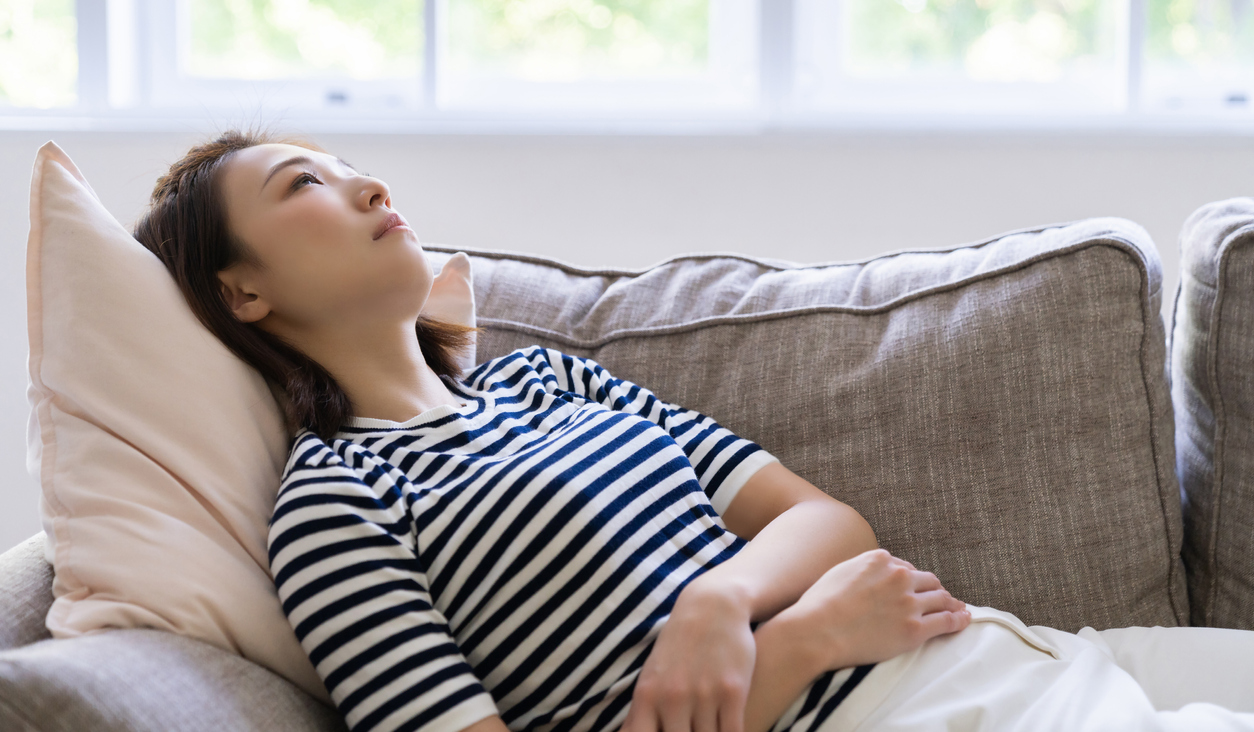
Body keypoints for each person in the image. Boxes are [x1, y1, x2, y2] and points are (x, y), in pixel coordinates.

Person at [134, 131, 1254, 732]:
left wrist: (715, 601)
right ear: (243, 291)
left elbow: (822, 517)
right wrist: (794, 643)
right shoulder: (336, 506)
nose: (368, 180)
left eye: (345, 164)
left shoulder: (544, 381)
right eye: (307, 185)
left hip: (1014, 653)